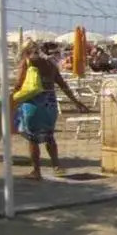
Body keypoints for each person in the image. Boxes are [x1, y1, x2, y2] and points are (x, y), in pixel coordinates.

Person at [10, 41, 89, 179]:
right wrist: (76, 102)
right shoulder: (51, 65)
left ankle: (36, 171)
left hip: (33, 103)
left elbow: (18, 84)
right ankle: (56, 166)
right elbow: (63, 85)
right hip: (50, 105)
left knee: (33, 139)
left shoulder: (27, 63)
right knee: (49, 137)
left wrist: (10, 98)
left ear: (25, 52)